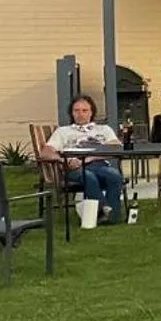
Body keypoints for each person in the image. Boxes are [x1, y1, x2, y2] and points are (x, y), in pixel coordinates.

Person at [42, 95, 127, 228]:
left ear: (91, 112)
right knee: (88, 176)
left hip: (98, 164)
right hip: (74, 167)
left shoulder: (103, 129)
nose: (80, 114)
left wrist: (90, 158)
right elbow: (45, 152)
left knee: (114, 175)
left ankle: (112, 218)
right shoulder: (63, 131)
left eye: (84, 110)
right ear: (71, 113)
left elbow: (116, 147)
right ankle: (104, 210)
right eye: (76, 110)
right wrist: (63, 160)